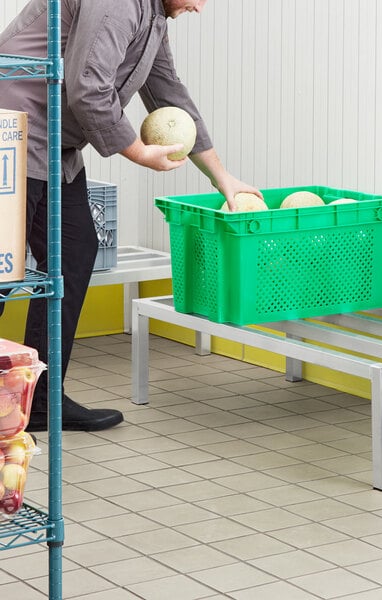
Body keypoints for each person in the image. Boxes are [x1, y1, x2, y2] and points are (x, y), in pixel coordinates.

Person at [0, 0, 262, 432]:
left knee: (74, 250)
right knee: (3, 270)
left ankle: (38, 398)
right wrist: (138, 153)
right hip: (14, 133)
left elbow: (168, 93)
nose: (200, 6)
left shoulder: (153, 15)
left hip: (53, 145)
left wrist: (223, 178)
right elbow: (88, 87)